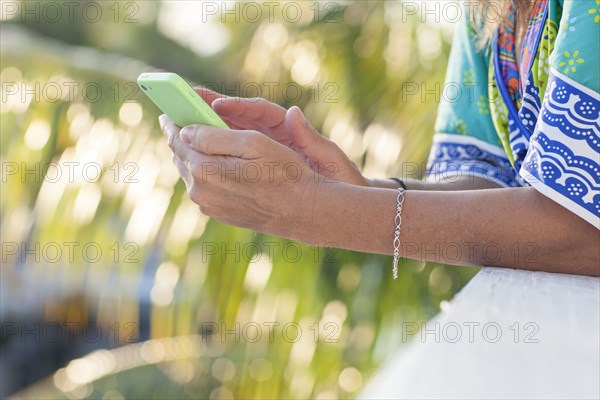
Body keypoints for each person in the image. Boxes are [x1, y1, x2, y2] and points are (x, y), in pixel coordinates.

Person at [159, 0, 599, 277]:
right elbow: (492, 184)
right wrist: (354, 192)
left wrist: (315, 211)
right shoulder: (490, 11)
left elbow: (582, 229)